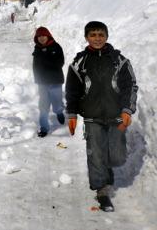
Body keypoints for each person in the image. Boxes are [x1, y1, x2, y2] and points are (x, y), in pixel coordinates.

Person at [65, 21, 138, 212]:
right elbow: (72, 90)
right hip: (92, 117)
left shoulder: (119, 61)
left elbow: (130, 86)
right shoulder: (79, 62)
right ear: (86, 37)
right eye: (93, 35)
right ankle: (102, 190)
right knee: (96, 153)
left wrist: (127, 110)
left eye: (101, 35)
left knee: (117, 156)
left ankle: (107, 171)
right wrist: (71, 113)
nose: (97, 38)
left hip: (116, 116)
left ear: (106, 36)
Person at [32, 27, 65, 137]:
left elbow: (60, 63)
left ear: (48, 36)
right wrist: (37, 78)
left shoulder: (56, 47)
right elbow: (35, 66)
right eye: (39, 36)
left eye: (43, 36)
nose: (41, 38)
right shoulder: (37, 49)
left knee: (56, 102)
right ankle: (44, 128)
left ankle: (59, 112)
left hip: (55, 81)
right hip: (42, 83)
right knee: (43, 106)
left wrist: (46, 60)